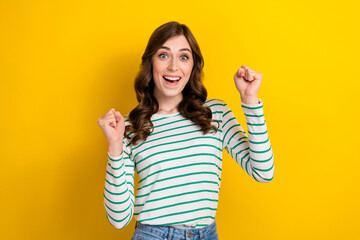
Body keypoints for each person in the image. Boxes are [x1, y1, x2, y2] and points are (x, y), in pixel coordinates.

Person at [97, 21, 274, 240]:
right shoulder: (129, 127)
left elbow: (263, 172)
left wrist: (250, 100)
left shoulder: (215, 113)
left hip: (207, 234)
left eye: (183, 57)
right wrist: (114, 148)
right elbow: (119, 219)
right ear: (150, 63)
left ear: (193, 66)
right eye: (163, 55)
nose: (173, 67)